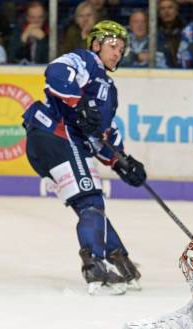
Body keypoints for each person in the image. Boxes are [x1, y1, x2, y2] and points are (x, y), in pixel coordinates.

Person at [22, 20, 147, 295]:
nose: (118, 52)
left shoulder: (110, 92)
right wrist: (78, 104)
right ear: (96, 43)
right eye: (113, 45)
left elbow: (100, 136)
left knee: (87, 203)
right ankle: (96, 269)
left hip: (53, 143)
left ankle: (120, 261)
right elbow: (55, 72)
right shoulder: (85, 61)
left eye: (122, 48)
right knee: (91, 201)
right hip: (54, 134)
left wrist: (122, 161)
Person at [158, 0, 185, 68]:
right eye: (162, 8)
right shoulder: (153, 30)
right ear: (159, 12)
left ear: (176, 10)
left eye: (170, 7)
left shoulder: (185, 29)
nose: (166, 12)